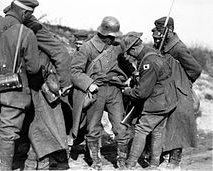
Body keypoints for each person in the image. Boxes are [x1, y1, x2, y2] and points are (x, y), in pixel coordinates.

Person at [70, 16, 130, 170]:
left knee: (121, 126)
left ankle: (122, 163)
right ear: (105, 34)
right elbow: (75, 71)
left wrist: (128, 77)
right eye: (112, 37)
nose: (113, 40)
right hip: (96, 90)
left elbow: (127, 64)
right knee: (93, 128)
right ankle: (96, 163)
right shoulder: (87, 48)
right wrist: (88, 84)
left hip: (115, 90)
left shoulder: (118, 46)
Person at [0, 0, 41, 170]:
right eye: (30, 14)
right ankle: (4, 167)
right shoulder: (25, 33)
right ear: (24, 13)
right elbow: (34, 68)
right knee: (8, 132)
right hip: (13, 91)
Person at [121, 32, 178, 170]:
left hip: (157, 103)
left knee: (141, 130)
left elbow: (141, 93)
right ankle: (154, 164)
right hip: (168, 100)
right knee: (158, 131)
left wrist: (127, 91)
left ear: (134, 48)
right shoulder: (151, 53)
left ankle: (130, 164)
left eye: (129, 52)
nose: (129, 56)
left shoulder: (149, 61)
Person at [151, 16, 202, 169]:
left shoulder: (178, 48)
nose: (157, 35)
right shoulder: (161, 45)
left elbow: (195, 69)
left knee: (177, 124)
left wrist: (183, 83)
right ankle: (160, 156)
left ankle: (174, 162)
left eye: (160, 31)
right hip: (165, 90)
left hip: (179, 91)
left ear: (169, 30)